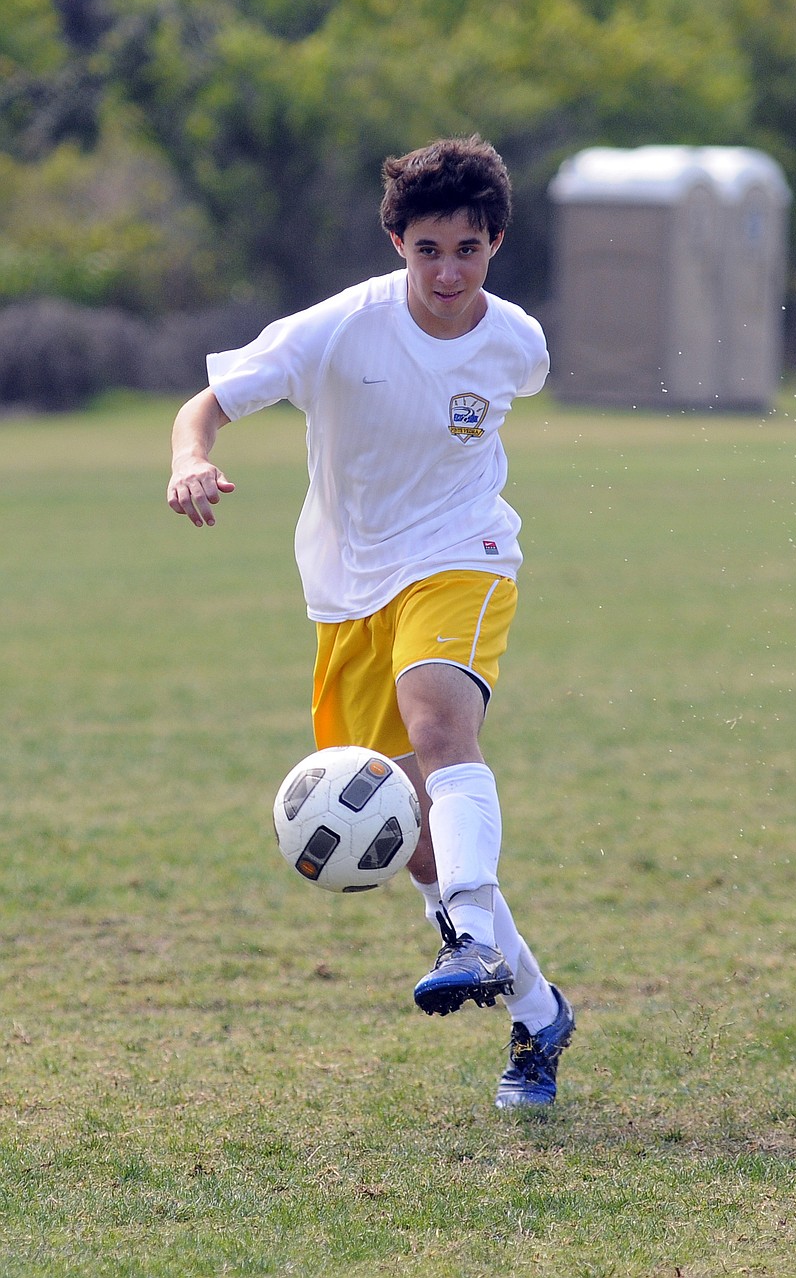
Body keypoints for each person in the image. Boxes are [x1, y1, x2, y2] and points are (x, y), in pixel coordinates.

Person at [167, 134, 575, 1108]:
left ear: (496, 242)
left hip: (462, 557)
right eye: (428, 247)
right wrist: (189, 458)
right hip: (347, 590)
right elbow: (206, 405)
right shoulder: (336, 329)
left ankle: (469, 929)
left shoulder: (516, 341)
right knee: (415, 840)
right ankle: (536, 1007)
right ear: (395, 240)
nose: (447, 270)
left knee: (441, 732)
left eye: (467, 249)